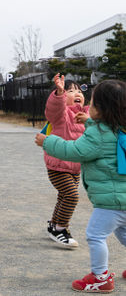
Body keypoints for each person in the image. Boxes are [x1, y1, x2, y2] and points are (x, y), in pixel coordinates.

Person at [35, 79, 126, 293]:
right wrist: (89, 121)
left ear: (102, 110)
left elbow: (75, 151)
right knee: (123, 234)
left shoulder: (97, 134)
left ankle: (100, 277)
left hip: (109, 202)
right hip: (124, 198)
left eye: (92, 104)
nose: (88, 107)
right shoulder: (120, 128)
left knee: (95, 235)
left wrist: (47, 142)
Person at [42, 73, 89, 248]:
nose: (77, 93)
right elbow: (53, 109)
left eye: (79, 91)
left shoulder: (87, 116)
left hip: (75, 167)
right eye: (71, 91)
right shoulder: (62, 115)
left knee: (63, 196)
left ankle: (54, 224)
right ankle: (61, 229)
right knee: (72, 195)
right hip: (57, 165)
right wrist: (59, 93)